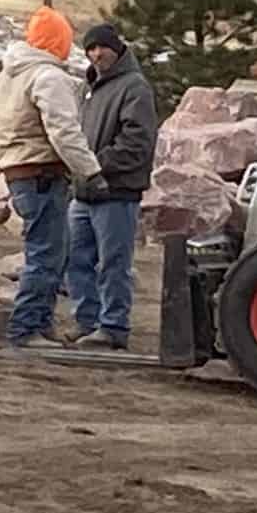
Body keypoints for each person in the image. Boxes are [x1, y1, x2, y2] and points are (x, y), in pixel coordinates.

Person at [0, 3, 102, 349]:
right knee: (46, 255)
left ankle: (40, 321)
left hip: (19, 171)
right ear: (60, 41)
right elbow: (64, 132)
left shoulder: (10, 73)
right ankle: (25, 329)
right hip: (41, 173)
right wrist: (91, 171)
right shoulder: (48, 76)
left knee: (51, 251)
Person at [64, 22, 158, 348]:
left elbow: (137, 142)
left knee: (113, 264)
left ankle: (114, 327)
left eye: (101, 47)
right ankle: (86, 321)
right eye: (90, 48)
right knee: (76, 260)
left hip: (116, 193)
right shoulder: (90, 89)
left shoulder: (135, 88)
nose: (95, 54)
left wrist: (93, 164)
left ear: (117, 48)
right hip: (84, 193)